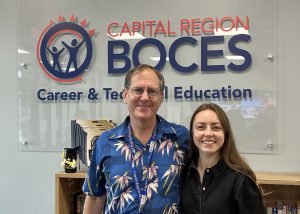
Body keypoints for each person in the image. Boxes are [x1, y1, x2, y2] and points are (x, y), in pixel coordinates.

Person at [82, 64, 189, 214]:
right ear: (125, 95)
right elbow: (94, 197)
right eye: (138, 90)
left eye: (152, 91)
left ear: (161, 97)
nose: (144, 97)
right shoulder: (106, 142)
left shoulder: (180, 138)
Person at [181, 103, 266, 214]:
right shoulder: (184, 172)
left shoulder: (241, 180)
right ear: (192, 133)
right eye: (201, 127)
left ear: (225, 134)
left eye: (216, 127)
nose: (208, 133)